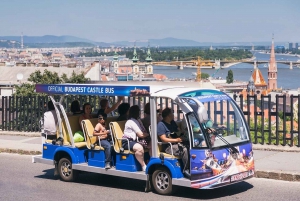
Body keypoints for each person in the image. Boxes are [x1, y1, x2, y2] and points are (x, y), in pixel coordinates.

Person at [157, 108, 190, 176]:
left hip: (177, 143)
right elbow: (163, 139)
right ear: (168, 115)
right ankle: (186, 169)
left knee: (191, 146)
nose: (173, 115)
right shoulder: (161, 125)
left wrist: (183, 133)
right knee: (184, 150)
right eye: (172, 113)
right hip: (169, 146)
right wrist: (176, 140)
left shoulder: (172, 122)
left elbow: (179, 131)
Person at [122, 105, 151, 171]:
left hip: (136, 140)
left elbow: (143, 131)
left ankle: (150, 162)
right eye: (138, 111)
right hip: (127, 141)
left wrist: (147, 134)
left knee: (152, 144)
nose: (139, 113)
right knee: (139, 148)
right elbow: (141, 134)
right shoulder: (130, 121)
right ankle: (143, 165)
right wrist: (148, 134)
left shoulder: (138, 120)